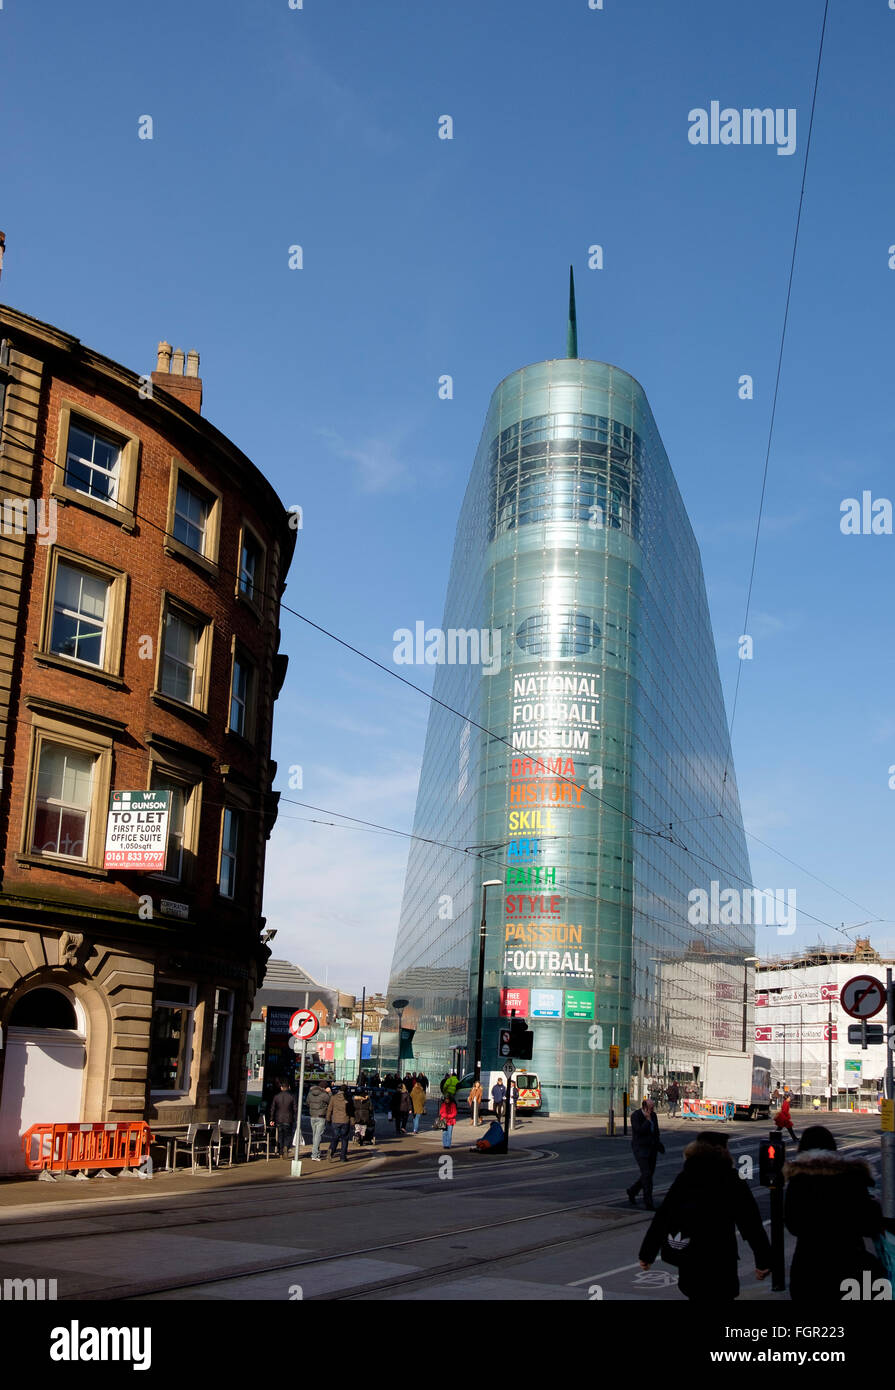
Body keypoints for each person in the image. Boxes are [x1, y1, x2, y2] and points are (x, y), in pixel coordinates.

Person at [638, 1133, 771, 1300]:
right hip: (720, 1260)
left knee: (695, 1294)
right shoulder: (731, 1179)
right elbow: (751, 1224)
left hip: (691, 1259)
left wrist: (647, 1253)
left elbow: (663, 1217)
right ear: (724, 1151)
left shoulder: (685, 1178)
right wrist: (763, 1260)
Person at [783, 1125, 885, 1301]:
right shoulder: (853, 1178)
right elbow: (870, 1224)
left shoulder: (799, 1181)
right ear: (833, 1148)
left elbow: (793, 1225)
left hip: (809, 1267)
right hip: (850, 1266)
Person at [626, 1097, 664, 1210]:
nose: (652, 1110)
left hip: (652, 1148)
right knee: (647, 1174)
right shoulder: (636, 1116)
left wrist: (658, 1144)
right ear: (645, 1107)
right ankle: (648, 1201)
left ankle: (633, 1191)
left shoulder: (654, 1115)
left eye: (653, 1108)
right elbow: (639, 1131)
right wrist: (647, 1121)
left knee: (649, 1174)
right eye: (650, 1108)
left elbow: (656, 1131)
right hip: (640, 1148)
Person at [326, 1085, 354, 1162]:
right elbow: (351, 1112)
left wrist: (328, 1119)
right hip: (345, 1120)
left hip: (335, 1120)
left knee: (335, 1137)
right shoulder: (348, 1099)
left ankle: (331, 1150)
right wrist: (352, 1122)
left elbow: (329, 1109)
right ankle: (342, 1157)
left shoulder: (333, 1098)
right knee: (344, 1139)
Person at [269, 1081, 297, 1158]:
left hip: (279, 1119)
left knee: (280, 1135)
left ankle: (281, 1151)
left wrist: (272, 1119)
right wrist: (295, 1118)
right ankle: (286, 1147)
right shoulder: (292, 1096)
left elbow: (273, 1108)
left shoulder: (276, 1096)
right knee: (288, 1135)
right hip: (288, 1119)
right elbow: (295, 1109)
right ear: (289, 1087)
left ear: (281, 1088)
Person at [306, 1078, 332, 1161]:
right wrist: (329, 1093)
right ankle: (315, 1155)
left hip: (312, 1116)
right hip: (321, 1116)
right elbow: (331, 1102)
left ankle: (316, 1153)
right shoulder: (324, 1094)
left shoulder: (310, 1093)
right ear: (324, 1088)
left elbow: (307, 1103)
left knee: (315, 1135)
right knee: (318, 1136)